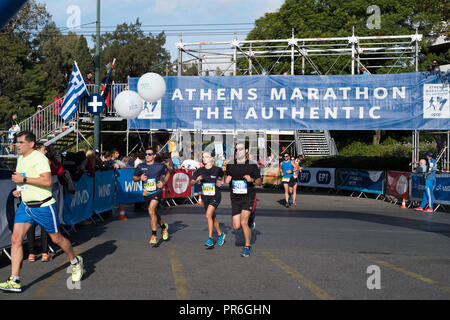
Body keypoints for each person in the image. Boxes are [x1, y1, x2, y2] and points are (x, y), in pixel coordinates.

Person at [0, 131, 83, 293]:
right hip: (26, 206)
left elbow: (46, 181)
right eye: (17, 142)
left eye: (21, 142)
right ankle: (15, 280)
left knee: (56, 238)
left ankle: (75, 261)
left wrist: (23, 180)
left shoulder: (40, 158)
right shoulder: (20, 159)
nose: (17, 145)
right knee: (16, 239)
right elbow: (23, 178)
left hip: (43, 206)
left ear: (31, 144)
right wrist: (20, 190)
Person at [224, 142, 262, 257]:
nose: (238, 151)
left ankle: (247, 247)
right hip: (235, 197)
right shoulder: (231, 164)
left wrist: (251, 180)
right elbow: (225, 176)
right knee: (236, 226)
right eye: (236, 149)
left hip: (248, 196)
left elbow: (259, 182)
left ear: (246, 150)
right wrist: (226, 178)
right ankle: (250, 219)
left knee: (243, 222)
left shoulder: (252, 165)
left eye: (240, 149)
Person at [133, 147, 170, 245]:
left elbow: (167, 174)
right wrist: (140, 178)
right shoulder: (140, 166)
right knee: (153, 213)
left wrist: (163, 182)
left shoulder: (159, 166)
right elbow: (134, 178)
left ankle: (154, 235)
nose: (147, 156)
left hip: (157, 191)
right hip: (146, 193)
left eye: (149, 154)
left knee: (150, 210)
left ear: (154, 156)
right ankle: (163, 227)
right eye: (146, 154)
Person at [190, 151, 226, 247]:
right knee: (212, 217)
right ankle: (220, 234)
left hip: (216, 196)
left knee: (208, 215)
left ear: (211, 158)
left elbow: (224, 175)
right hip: (206, 197)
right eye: (203, 157)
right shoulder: (199, 171)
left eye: (207, 157)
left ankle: (210, 238)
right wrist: (197, 180)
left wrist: (221, 181)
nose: (205, 158)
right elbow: (191, 183)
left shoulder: (217, 169)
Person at [112, 149, 128, 221]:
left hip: (118, 179)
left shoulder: (118, 161)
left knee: (117, 194)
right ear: (113, 154)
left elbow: (124, 165)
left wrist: (121, 166)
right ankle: (112, 210)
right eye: (116, 153)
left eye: (118, 153)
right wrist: (119, 166)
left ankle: (119, 211)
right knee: (113, 194)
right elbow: (116, 167)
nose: (118, 154)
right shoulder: (111, 160)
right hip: (112, 179)